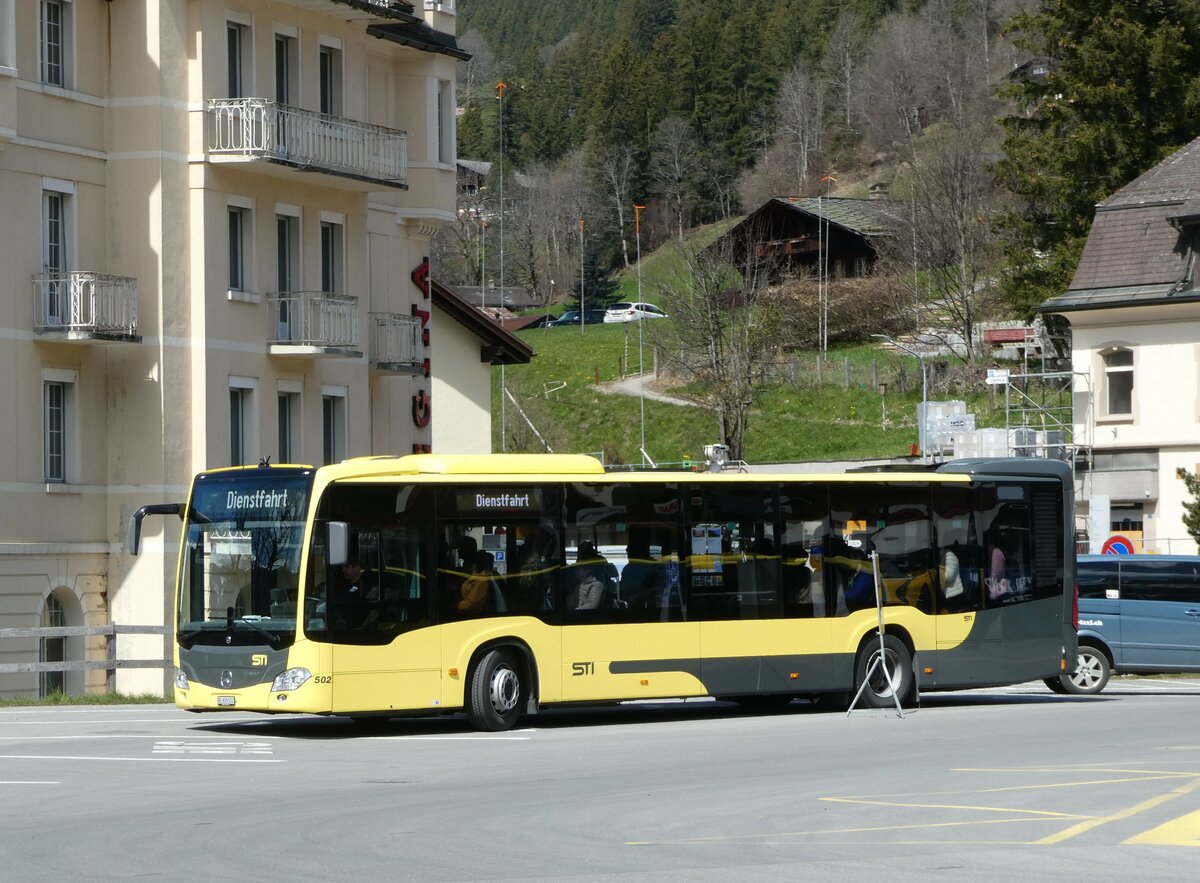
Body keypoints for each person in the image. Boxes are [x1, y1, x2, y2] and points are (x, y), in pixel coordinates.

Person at [458, 550, 495, 615]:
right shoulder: (477, 577)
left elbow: (470, 604)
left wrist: (456, 606)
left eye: (473, 562)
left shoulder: (482, 582)